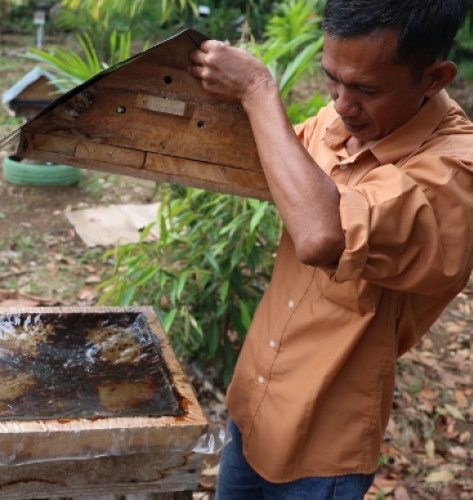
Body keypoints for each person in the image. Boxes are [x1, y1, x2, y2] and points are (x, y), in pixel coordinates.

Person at [188, 0, 473, 498]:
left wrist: (257, 91)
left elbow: (323, 236)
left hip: (321, 451)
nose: (341, 104)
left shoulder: (453, 173)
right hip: (254, 405)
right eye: (333, 80)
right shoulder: (344, 122)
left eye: (366, 89)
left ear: (434, 78)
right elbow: (269, 169)